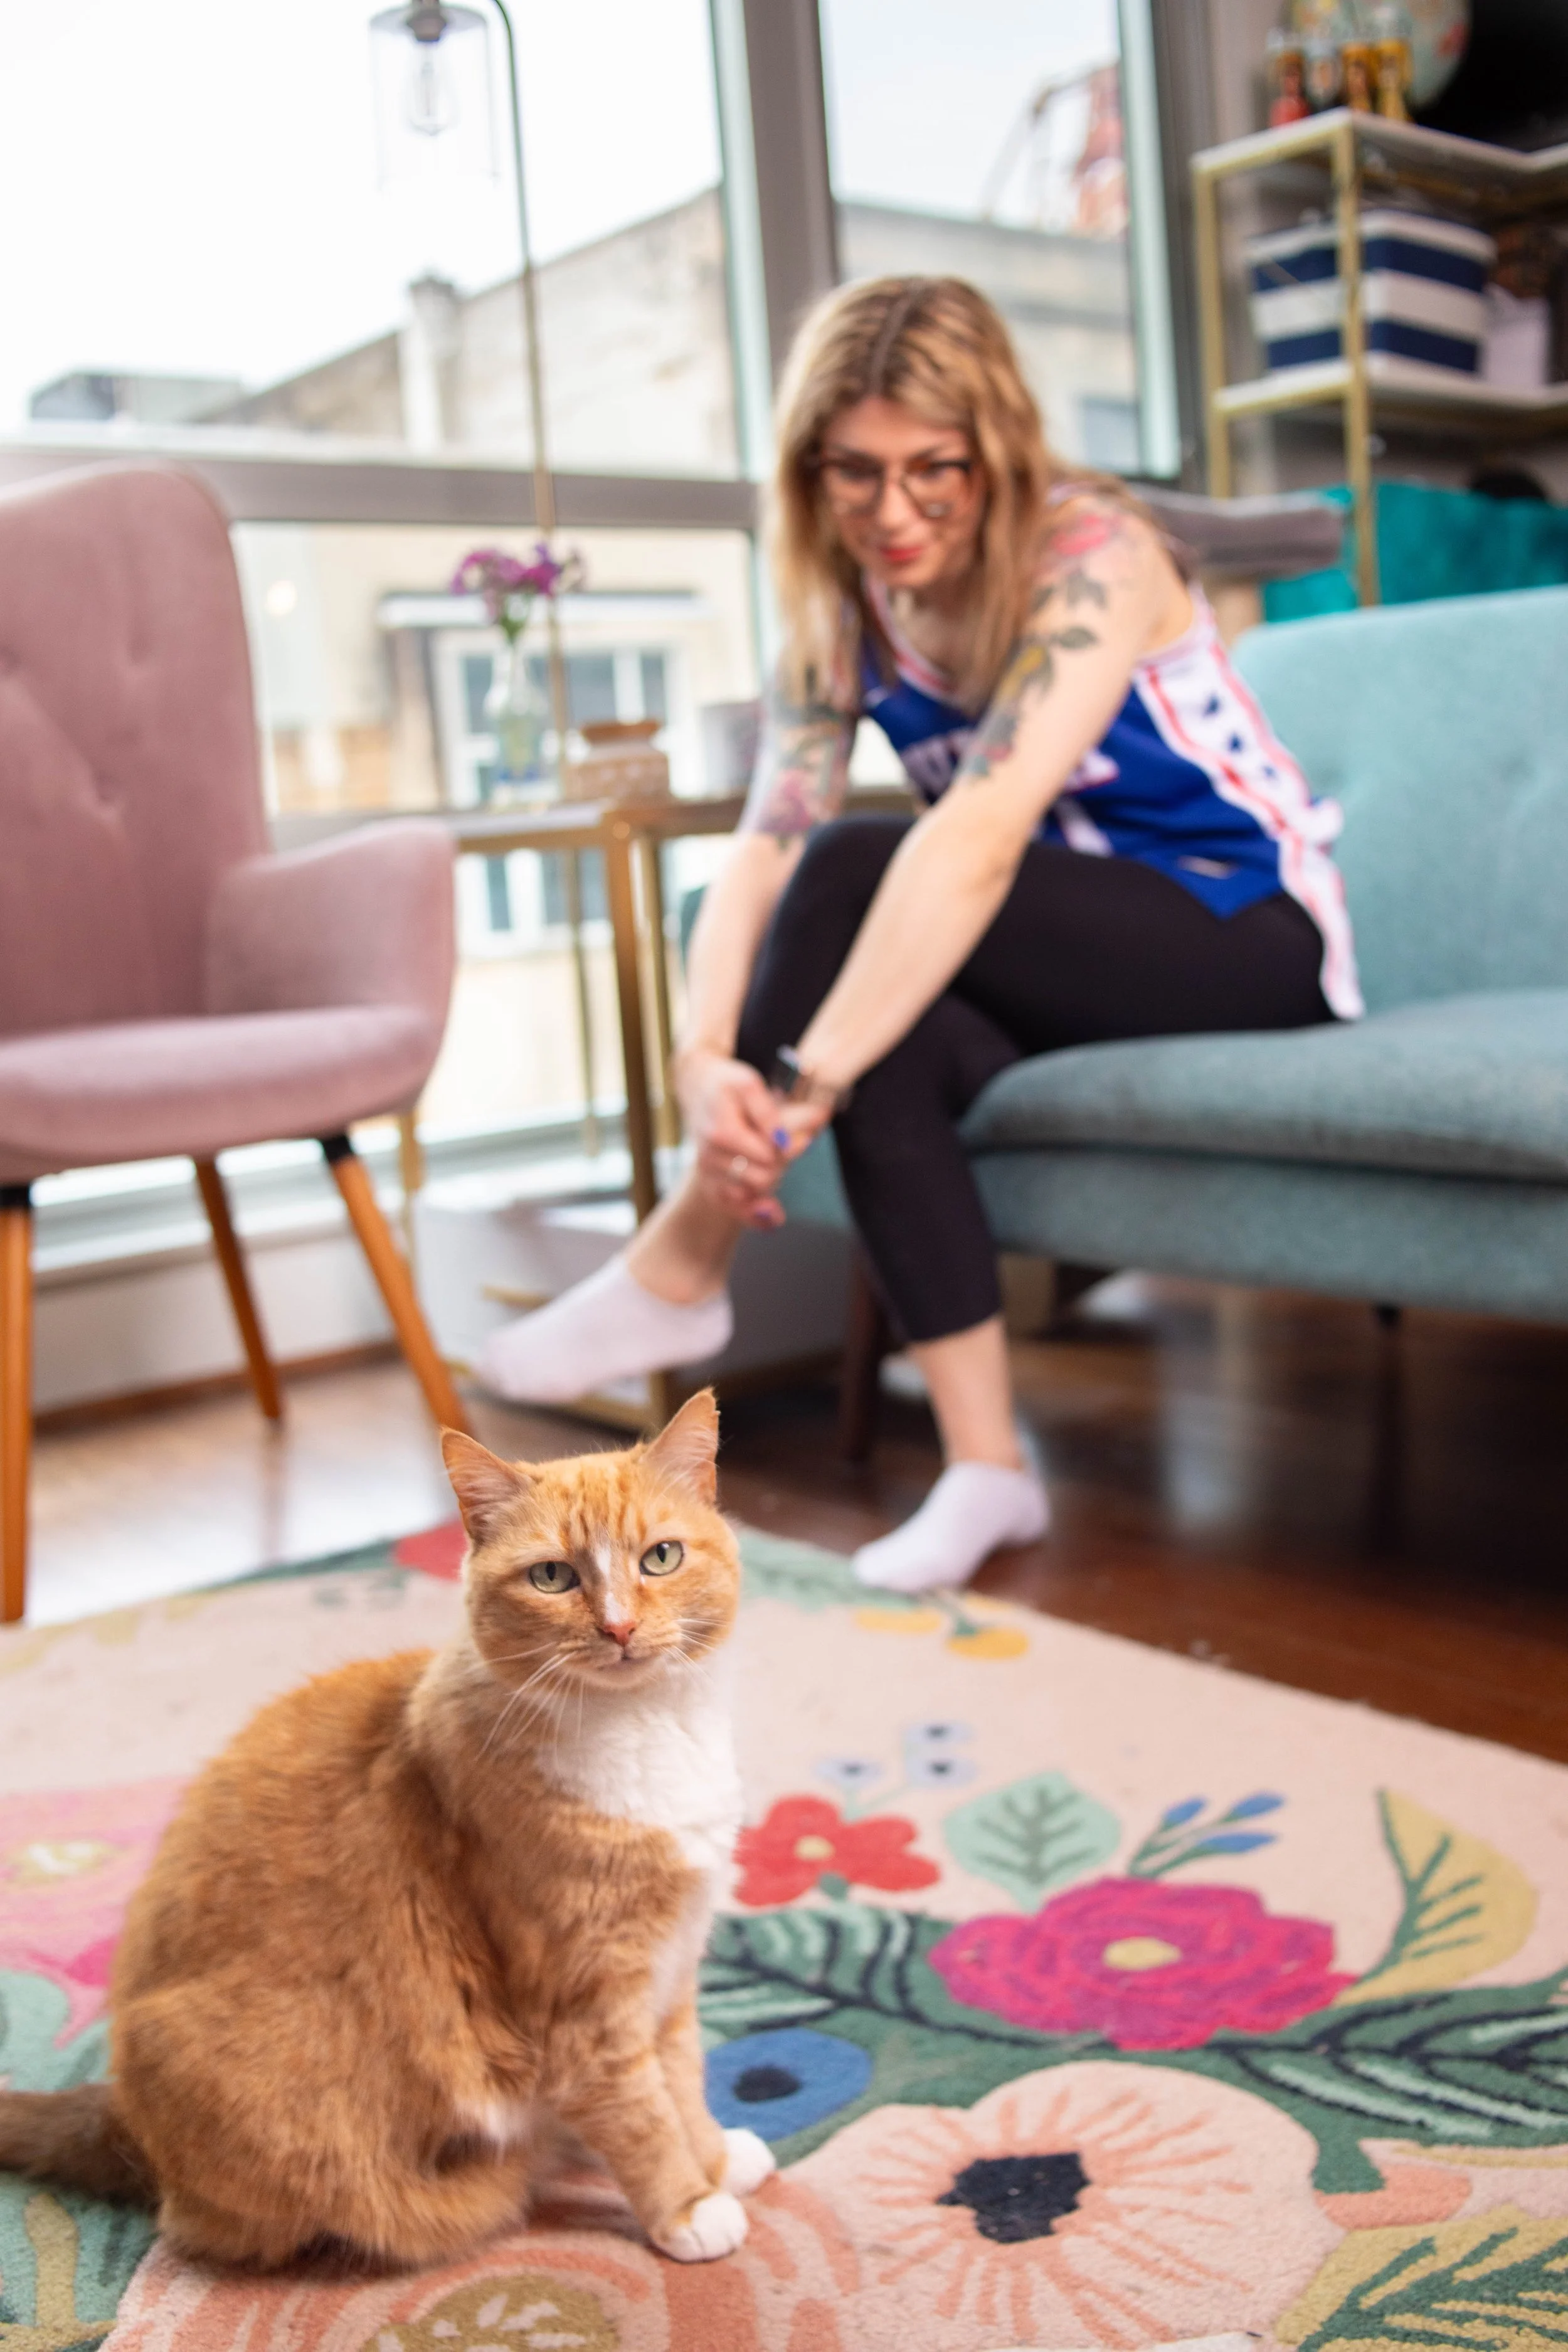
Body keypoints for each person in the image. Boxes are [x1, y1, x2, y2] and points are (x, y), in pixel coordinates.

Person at [477, 277, 1361, 1594]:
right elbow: (765, 842)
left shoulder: (1094, 551)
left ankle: (683, 1257)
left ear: (993, 453)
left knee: (863, 868)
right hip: (1046, 950)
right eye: (855, 472)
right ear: (809, 470)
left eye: (932, 470)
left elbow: (978, 833)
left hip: (1239, 927)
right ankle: (988, 1468)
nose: (893, 513)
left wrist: (799, 1084)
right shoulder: (845, 605)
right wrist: (701, 1058)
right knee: (893, 1037)